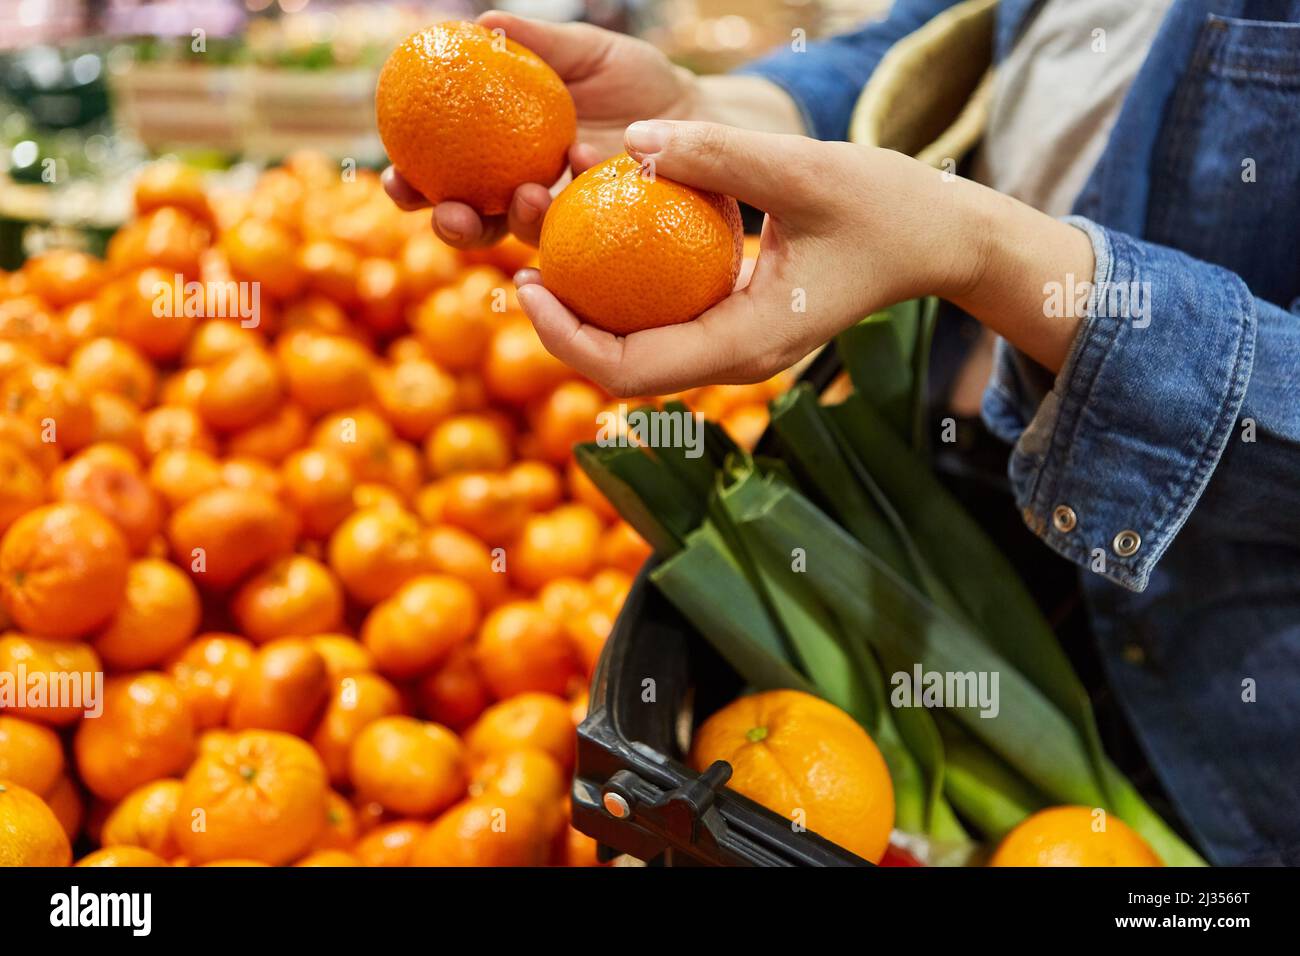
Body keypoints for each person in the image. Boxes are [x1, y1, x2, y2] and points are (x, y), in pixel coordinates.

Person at [384, 2, 1300, 866]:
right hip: (963, 511)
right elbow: (938, 41)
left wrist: (983, 255)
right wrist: (714, 112)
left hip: (1223, 675)